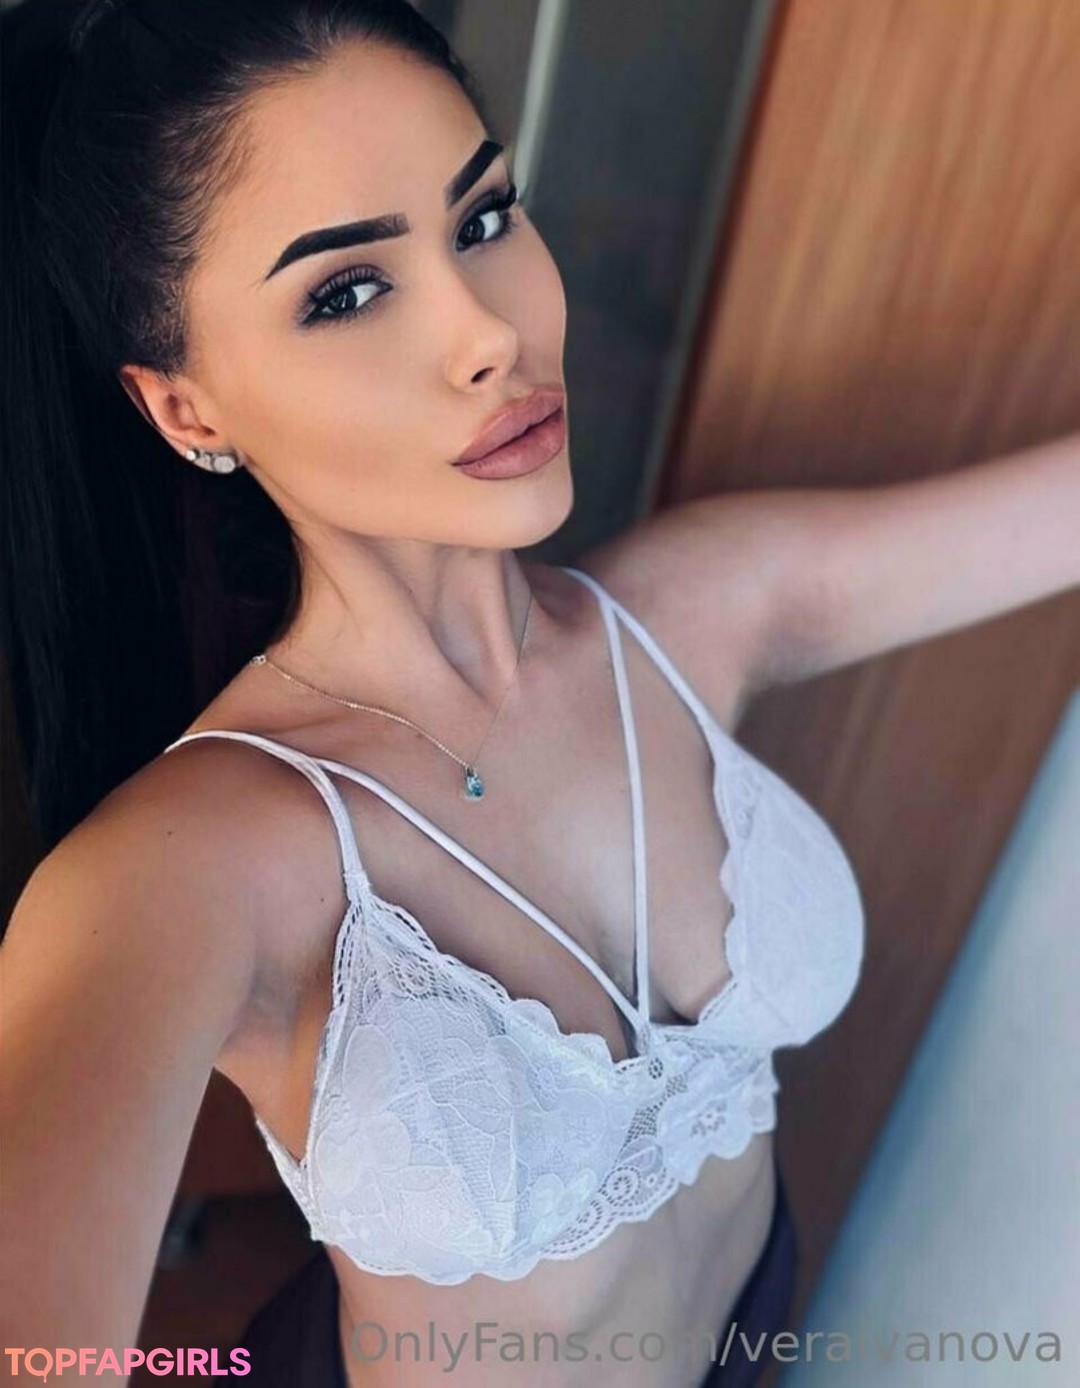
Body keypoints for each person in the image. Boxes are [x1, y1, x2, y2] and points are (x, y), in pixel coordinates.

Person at [7, 1, 1074, 1384]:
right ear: (187, 409)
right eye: (346, 292)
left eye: (485, 218)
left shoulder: (693, 612)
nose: (487, 333)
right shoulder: (190, 865)